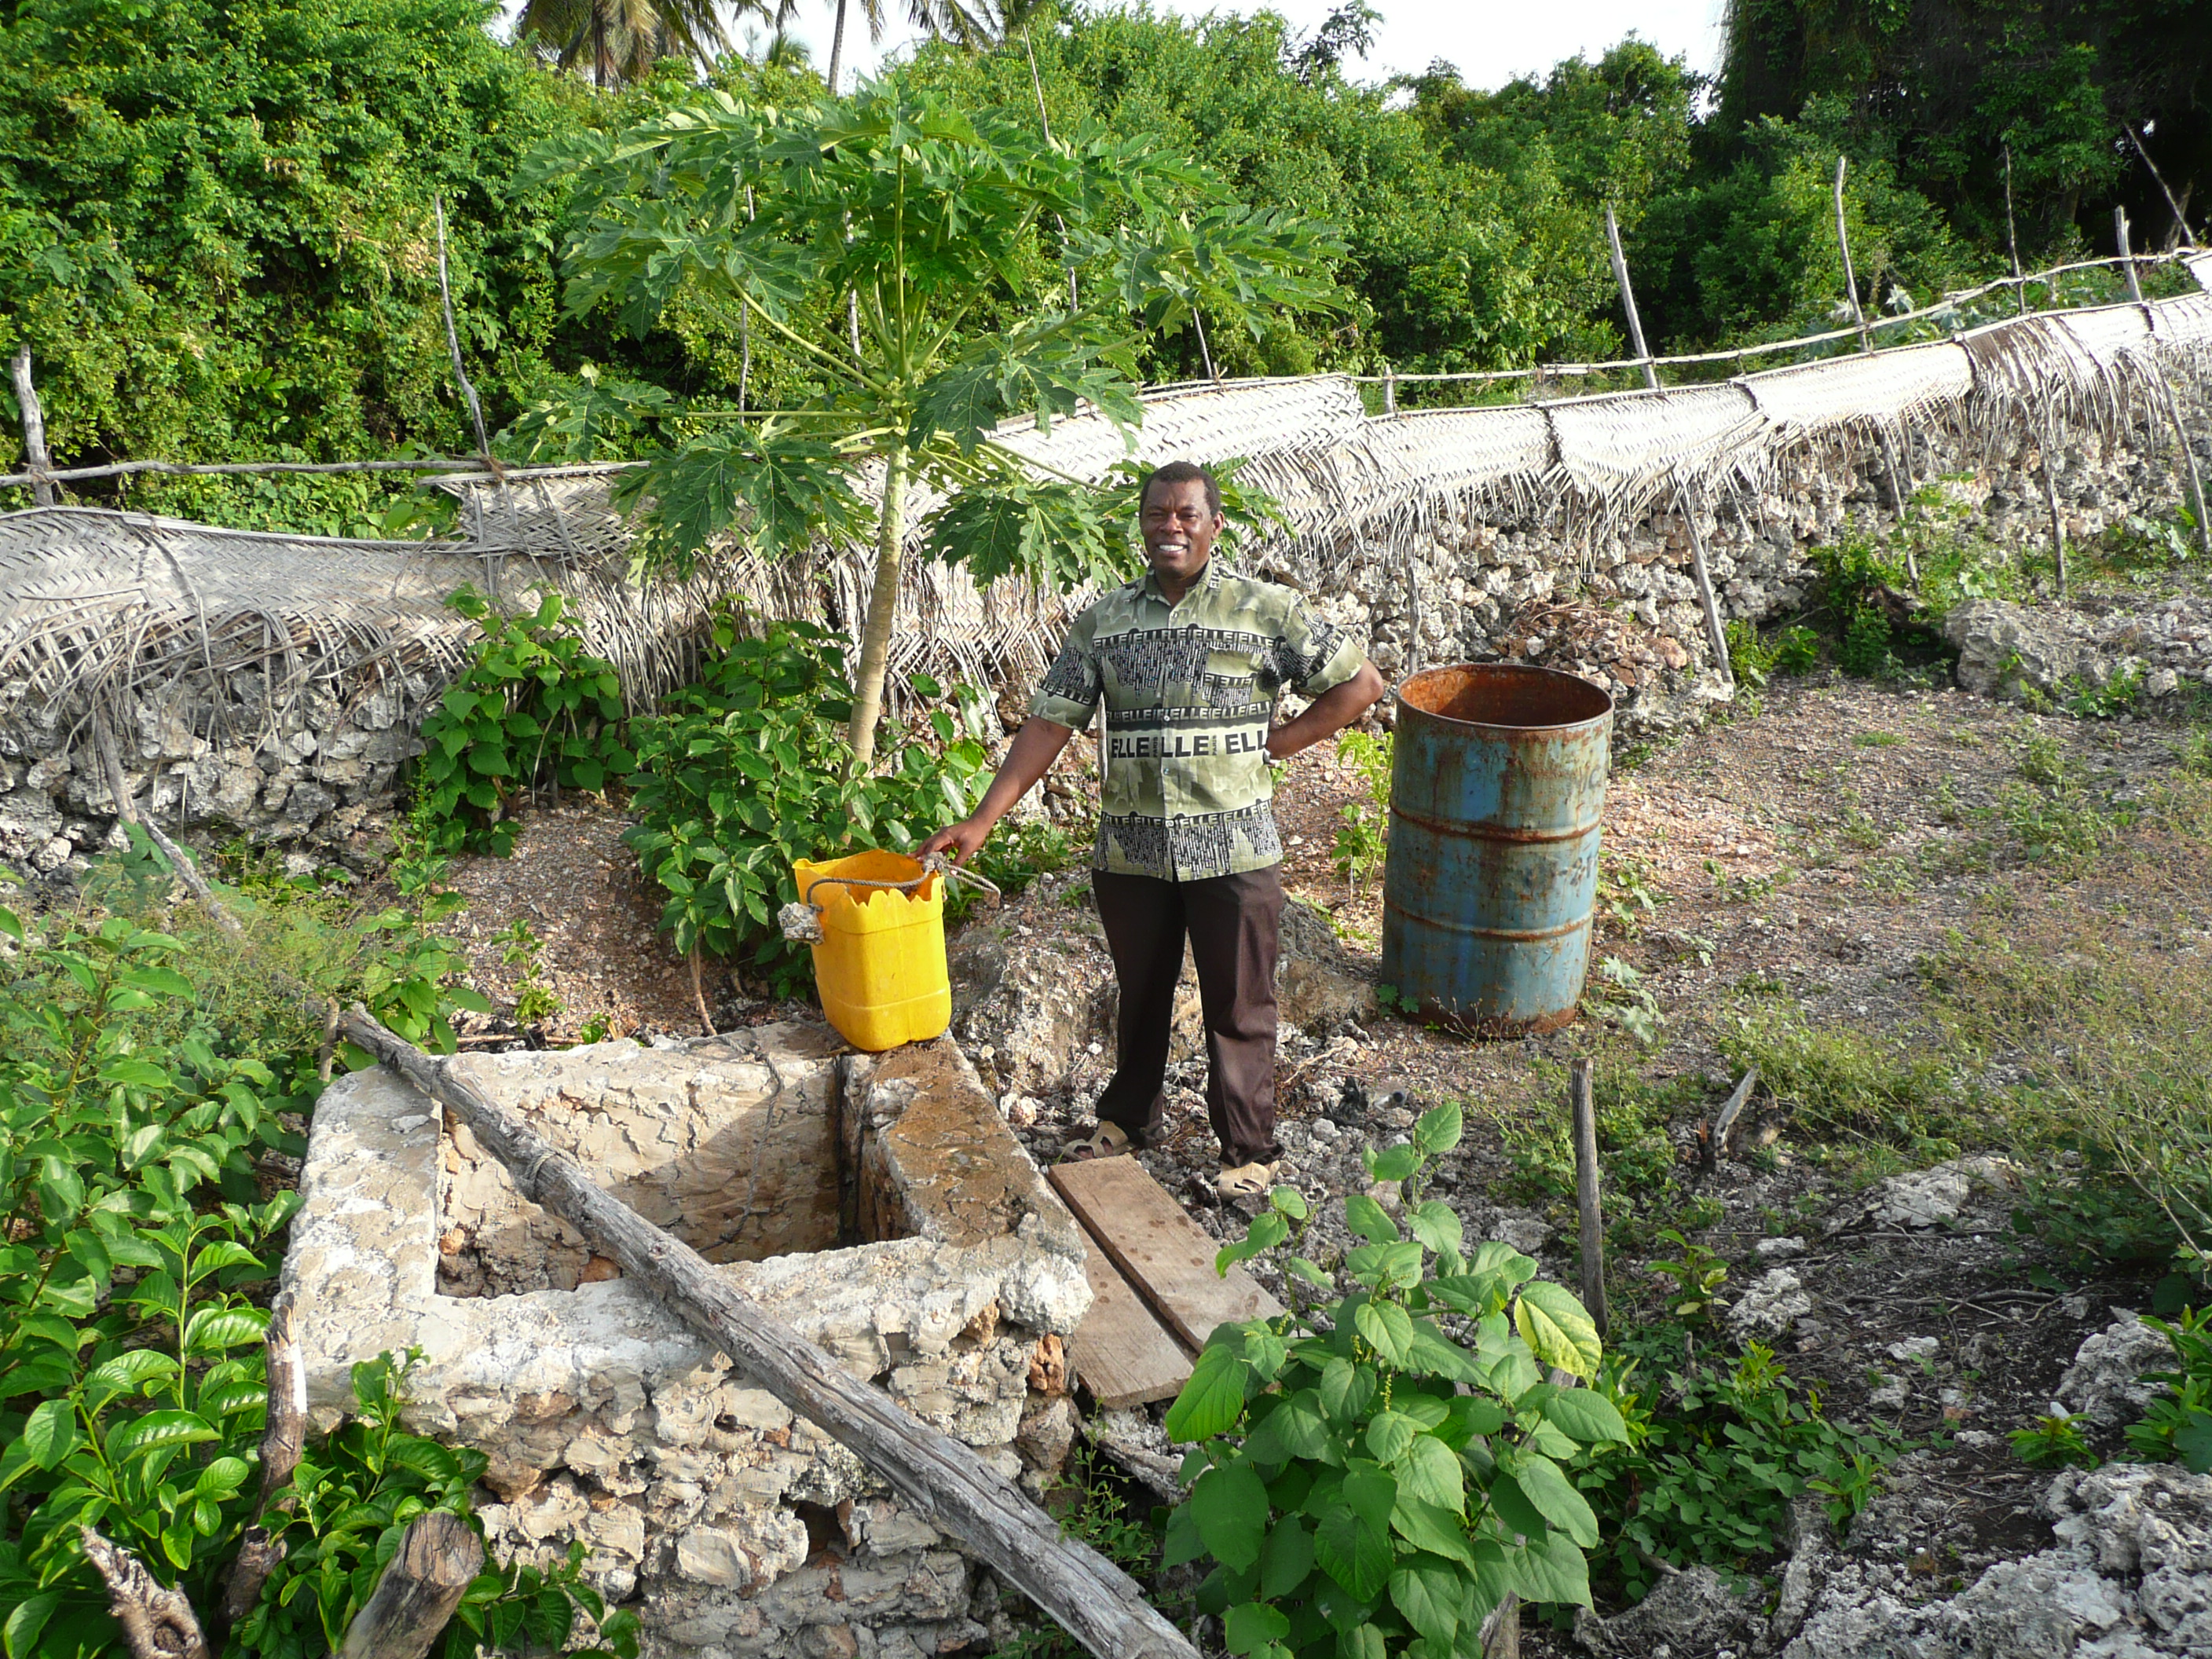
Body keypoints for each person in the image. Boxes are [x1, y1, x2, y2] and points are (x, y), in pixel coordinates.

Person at [921, 460, 1387, 1199]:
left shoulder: (1264, 610)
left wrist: (1280, 743)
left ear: (1214, 525)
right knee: (1139, 991)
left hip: (1232, 846)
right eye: (1157, 514)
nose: (1170, 526)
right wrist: (982, 819)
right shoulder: (1106, 620)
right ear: (1142, 523)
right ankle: (1128, 1118)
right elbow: (1050, 720)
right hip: (1132, 848)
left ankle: (1248, 1154)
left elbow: (1359, 685)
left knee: (1240, 1005)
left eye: (1186, 515)